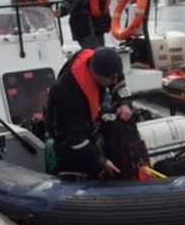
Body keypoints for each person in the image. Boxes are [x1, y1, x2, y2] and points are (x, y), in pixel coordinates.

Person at [47, 47, 133, 179]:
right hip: (68, 132)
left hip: (88, 121)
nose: (114, 82)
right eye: (111, 79)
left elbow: (119, 83)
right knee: (79, 163)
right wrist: (100, 161)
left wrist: (124, 103)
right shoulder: (69, 93)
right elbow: (75, 138)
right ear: (96, 74)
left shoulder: (106, 64)